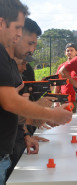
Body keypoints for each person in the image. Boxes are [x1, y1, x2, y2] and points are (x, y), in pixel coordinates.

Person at [0, 1, 72, 184]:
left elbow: (10, 110)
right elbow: (10, 103)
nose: (32, 50)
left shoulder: (8, 62)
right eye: (17, 27)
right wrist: (51, 114)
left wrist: (25, 135)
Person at [55, 43, 77, 113]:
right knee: (65, 122)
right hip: (64, 100)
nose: (69, 52)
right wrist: (56, 101)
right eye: (68, 50)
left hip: (76, 100)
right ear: (65, 53)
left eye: (72, 50)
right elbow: (57, 84)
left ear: (76, 52)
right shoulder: (61, 67)